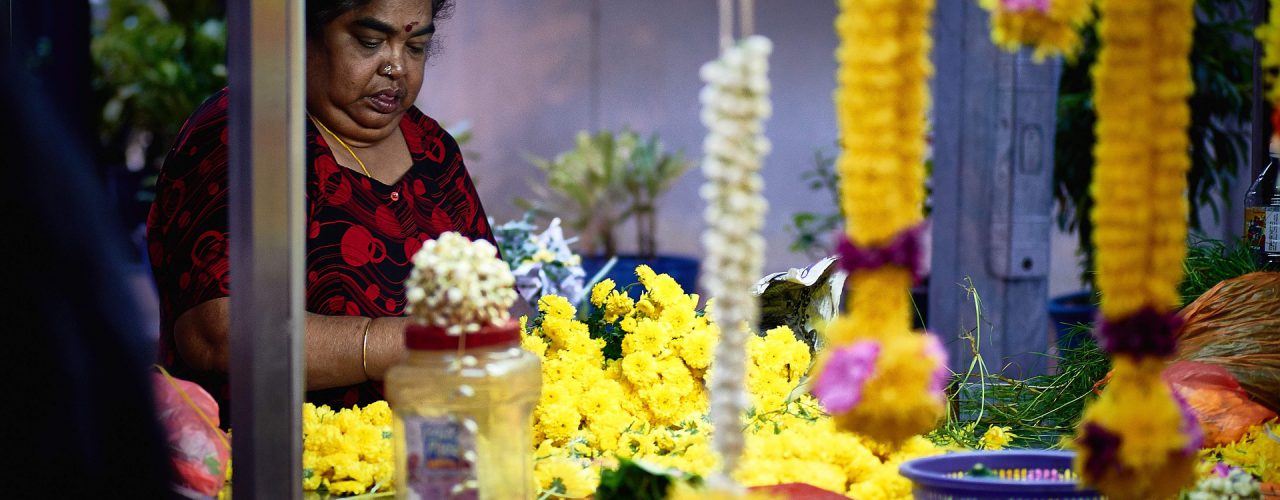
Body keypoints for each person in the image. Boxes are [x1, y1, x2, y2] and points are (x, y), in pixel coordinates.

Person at [147, 0, 493, 422]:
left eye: (415, 47)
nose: (397, 67)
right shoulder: (249, 131)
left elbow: (489, 301)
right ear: (303, 37)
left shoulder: (432, 148)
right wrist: (401, 343)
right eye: (370, 42)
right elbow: (216, 333)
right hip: (280, 463)